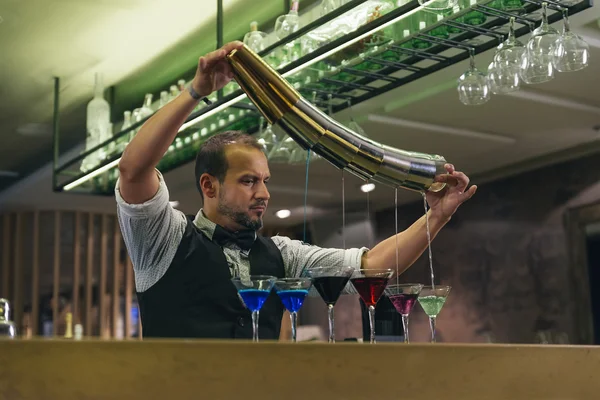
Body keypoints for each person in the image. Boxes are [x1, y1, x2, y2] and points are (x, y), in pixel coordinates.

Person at [115, 41, 477, 340]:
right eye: (248, 181)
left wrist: (438, 215)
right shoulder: (163, 240)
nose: (264, 193)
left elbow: (372, 267)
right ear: (209, 185)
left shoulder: (283, 255)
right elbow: (133, 170)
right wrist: (196, 92)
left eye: (265, 181)